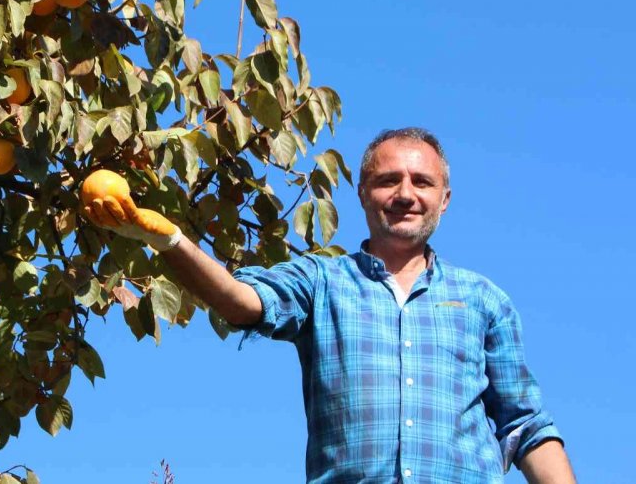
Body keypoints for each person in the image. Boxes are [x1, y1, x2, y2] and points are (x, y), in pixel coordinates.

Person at [83, 127, 575, 484]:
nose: (405, 194)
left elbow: (525, 426)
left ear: (444, 199)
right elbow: (239, 302)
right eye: (389, 180)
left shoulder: (483, 301)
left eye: (422, 182)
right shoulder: (322, 281)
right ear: (362, 193)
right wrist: (168, 239)